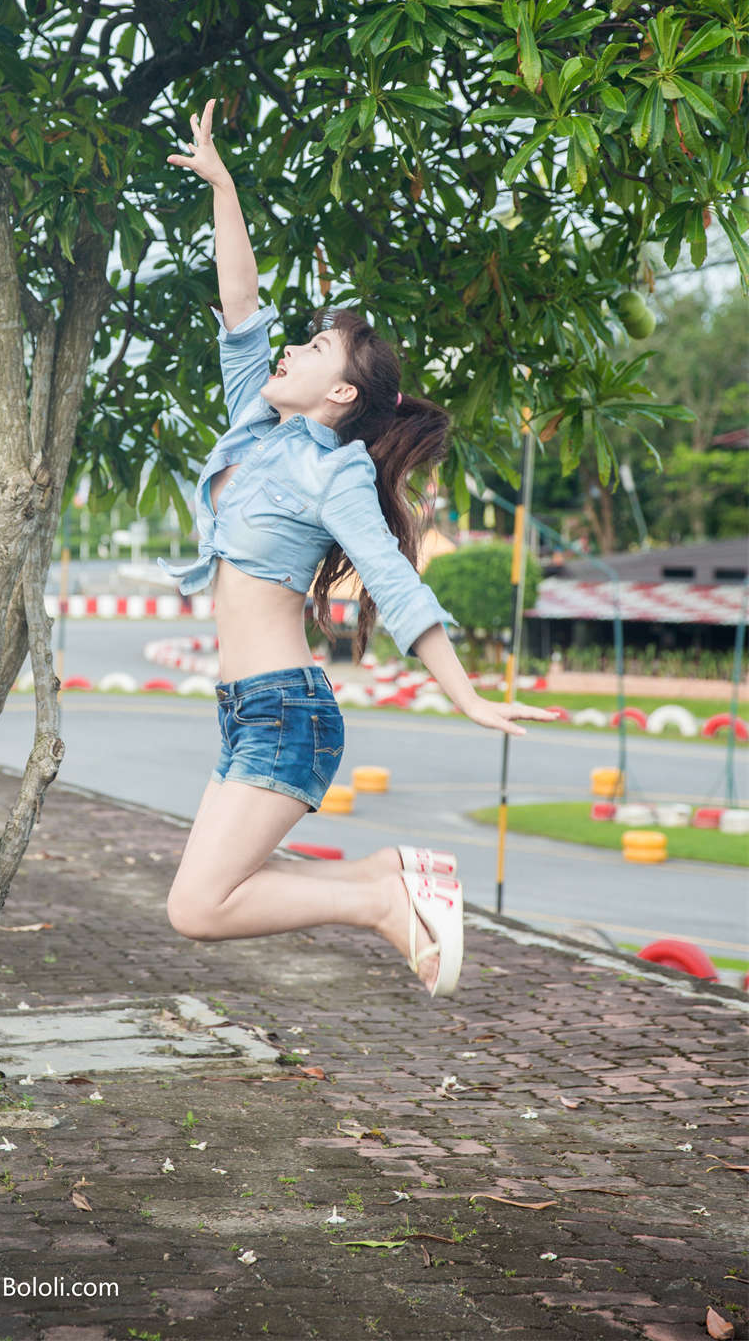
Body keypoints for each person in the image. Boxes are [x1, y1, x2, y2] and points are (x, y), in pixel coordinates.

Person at [161, 99, 556, 996]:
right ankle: (385, 882)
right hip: (245, 709)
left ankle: (384, 895)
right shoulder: (253, 427)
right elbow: (240, 305)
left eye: (311, 345)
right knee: (208, 898)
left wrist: (467, 695)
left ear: (340, 390)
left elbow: (394, 579)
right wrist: (223, 185)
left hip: (285, 711)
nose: (288, 349)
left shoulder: (331, 471)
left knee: (199, 907)